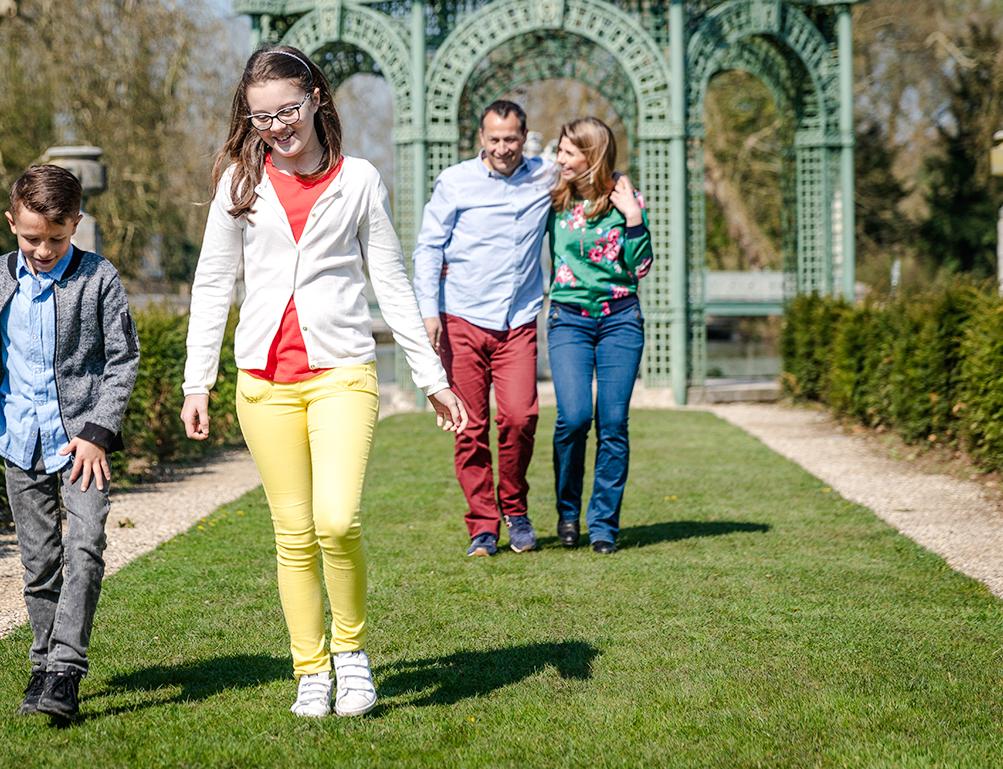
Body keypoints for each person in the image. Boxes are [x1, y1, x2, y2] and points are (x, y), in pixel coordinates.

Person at [180, 45, 468, 719]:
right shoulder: (237, 187)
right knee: (293, 533)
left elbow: (390, 284)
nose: (276, 126)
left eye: (285, 110)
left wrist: (432, 377)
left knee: (336, 521)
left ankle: (352, 655)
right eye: (260, 118)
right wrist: (199, 382)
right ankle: (310, 669)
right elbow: (213, 284)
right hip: (263, 383)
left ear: (315, 98)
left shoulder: (360, 179)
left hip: (342, 372)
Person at [0, 165, 140, 724]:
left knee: (84, 549)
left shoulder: (98, 278)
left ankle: (65, 670)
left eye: (57, 238)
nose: (44, 249)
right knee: (39, 563)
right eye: (32, 237)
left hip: (83, 445)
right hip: (16, 439)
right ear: (12, 223)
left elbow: (122, 360)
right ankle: (41, 661)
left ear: (75, 224)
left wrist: (98, 432)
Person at [413, 100, 554, 557]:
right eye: (493, 139)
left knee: (519, 417)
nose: (502, 148)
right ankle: (482, 527)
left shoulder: (546, 177)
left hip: (518, 320)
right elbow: (429, 248)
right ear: (480, 138)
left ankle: (515, 510)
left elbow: (590, 171)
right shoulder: (455, 182)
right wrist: (428, 312)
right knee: (468, 427)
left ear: (524, 136)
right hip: (462, 318)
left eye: (510, 139)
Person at [546, 117, 654, 555]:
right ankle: (568, 513)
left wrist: (633, 218)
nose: (559, 159)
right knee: (573, 418)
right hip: (568, 319)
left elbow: (641, 268)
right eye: (559, 150)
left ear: (591, 155)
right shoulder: (553, 198)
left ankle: (604, 523)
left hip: (620, 321)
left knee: (613, 423)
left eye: (568, 152)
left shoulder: (626, 199)